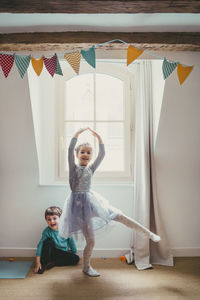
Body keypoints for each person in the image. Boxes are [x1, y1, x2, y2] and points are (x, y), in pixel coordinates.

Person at [59, 128, 161, 277]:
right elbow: (69, 150)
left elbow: (102, 155)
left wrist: (100, 139)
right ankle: (86, 268)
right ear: (77, 154)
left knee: (119, 215)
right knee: (91, 241)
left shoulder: (91, 169)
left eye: (88, 152)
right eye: (82, 152)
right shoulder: (73, 168)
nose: (86, 155)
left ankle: (148, 233)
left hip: (91, 202)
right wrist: (76, 135)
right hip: (77, 207)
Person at [34, 206, 79, 274]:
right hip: (52, 252)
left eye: (54, 218)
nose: (52, 221)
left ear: (60, 219)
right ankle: (43, 264)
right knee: (48, 241)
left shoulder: (66, 229)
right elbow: (40, 245)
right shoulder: (46, 231)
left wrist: (73, 252)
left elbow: (71, 241)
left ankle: (54, 263)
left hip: (63, 253)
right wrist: (38, 262)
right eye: (49, 219)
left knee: (76, 259)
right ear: (46, 220)